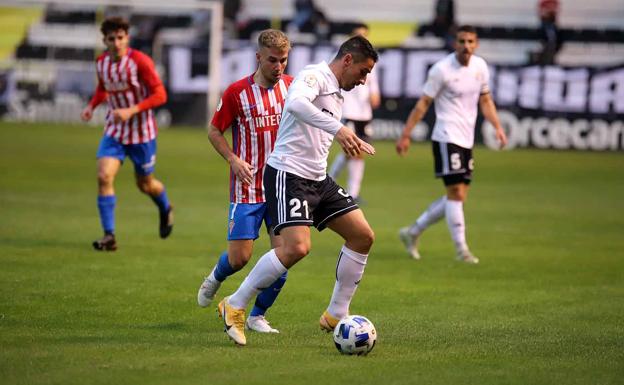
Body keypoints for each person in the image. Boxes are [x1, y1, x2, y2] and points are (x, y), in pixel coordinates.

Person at [217, 35, 378, 346]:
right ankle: (234, 305)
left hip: (317, 179)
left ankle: (336, 313)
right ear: (347, 60)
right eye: (363, 71)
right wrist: (340, 129)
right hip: (288, 174)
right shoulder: (313, 76)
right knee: (296, 249)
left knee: (362, 236)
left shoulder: (336, 91)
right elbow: (295, 103)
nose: (363, 80)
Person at [196, 30, 292, 334]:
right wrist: (233, 160)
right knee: (240, 258)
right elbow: (214, 131)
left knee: (285, 256)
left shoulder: (292, 88)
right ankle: (215, 277)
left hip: (280, 186)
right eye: (273, 60)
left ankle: (256, 316)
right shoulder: (237, 92)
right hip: (247, 186)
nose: (279, 67)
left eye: (284, 61)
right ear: (258, 58)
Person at [396, 25, 507, 264]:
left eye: (470, 41)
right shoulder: (442, 69)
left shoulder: (480, 67)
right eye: (461, 41)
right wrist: (406, 134)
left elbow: (485, 100)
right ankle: (462, 249)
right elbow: (423, 104)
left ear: (476, 44)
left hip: (466, 139)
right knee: (456, 193)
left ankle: (412, 231)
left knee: (458, 196)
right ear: (454, 43)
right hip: (446, 136)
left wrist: (497, 127)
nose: (466, 46)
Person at [81, 17, 173, 251]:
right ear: (105, 40)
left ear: (127, 38)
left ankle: (165, 208)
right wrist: (92, 106)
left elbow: (160, 95)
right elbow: (103, 89)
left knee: (145, 184)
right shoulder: (101, 63)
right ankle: (109, 236)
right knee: (104, 176)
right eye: (111, 39)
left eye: (120, 37)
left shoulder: (140, 61)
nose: (116, 42)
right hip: (115, 131)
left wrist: (131, 110)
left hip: (142, 134)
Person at [328, 23, 380, 203]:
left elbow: (373, 86)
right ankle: (352, 193)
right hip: (348, 111)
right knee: (354, 150)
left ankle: (333, 180)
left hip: (364, 114)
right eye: (359, 35)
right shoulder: (342, 59)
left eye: (365, 35)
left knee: (356, 152)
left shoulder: (369, 61)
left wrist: (375, 96)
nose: (363, 38)